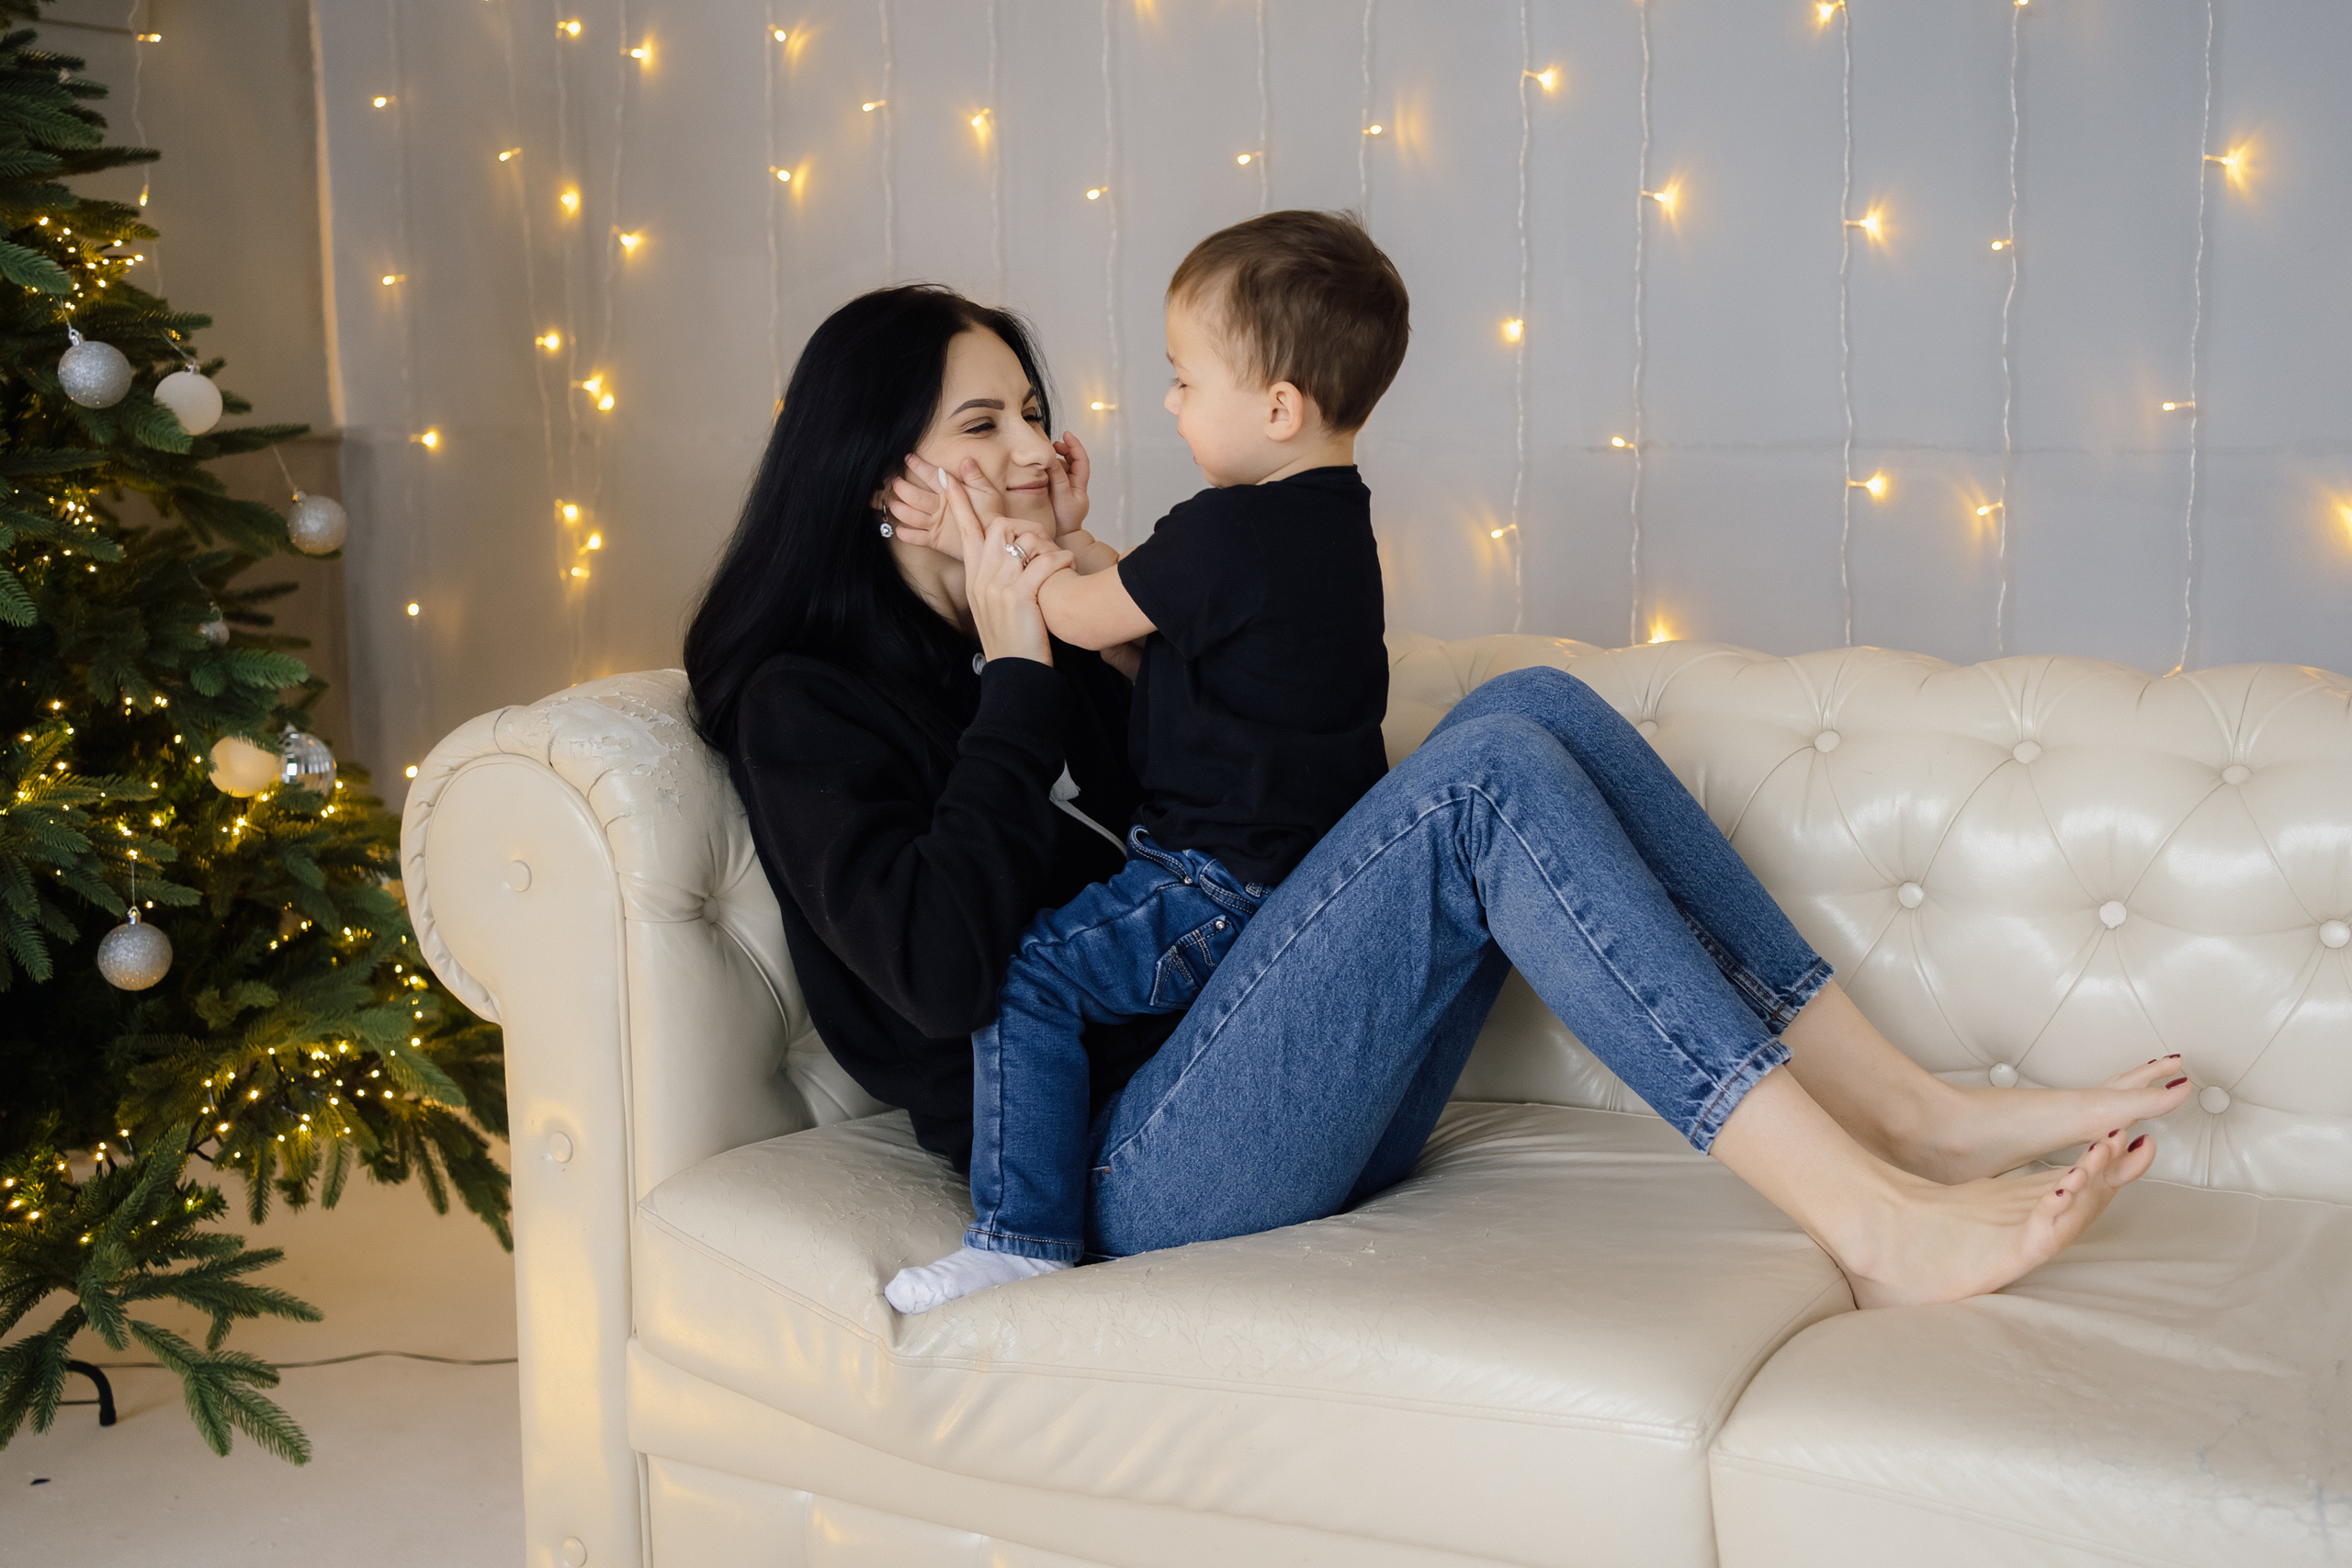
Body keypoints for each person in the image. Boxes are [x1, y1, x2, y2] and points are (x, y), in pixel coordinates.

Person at [683, 281, 2194, 1317]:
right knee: (1479, 784)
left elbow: (1195, 829)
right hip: (1118, 1169)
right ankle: (1870, 1221)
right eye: (982, 429)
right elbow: (944, 971)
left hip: (1258, 1072)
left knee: (1529, 708)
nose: (1030, 452)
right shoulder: (805, 700)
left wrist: (1094, 611)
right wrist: (1019, 671)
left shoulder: (1032, 623)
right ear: (881, 477)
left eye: (1031, 412)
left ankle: (1913, 1113)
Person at [878, 211, 1402, 1313]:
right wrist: (1068, 533)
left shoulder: (1225, 529)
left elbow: (1072, 615)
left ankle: (1018, 1232)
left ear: (1275, 407)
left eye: (1182, 379)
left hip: (1213, 880)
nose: (1168, 404)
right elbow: (1149, 606)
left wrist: (990, 550)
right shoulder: (1330, 530)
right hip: (1295, 883)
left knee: (1026, 976)